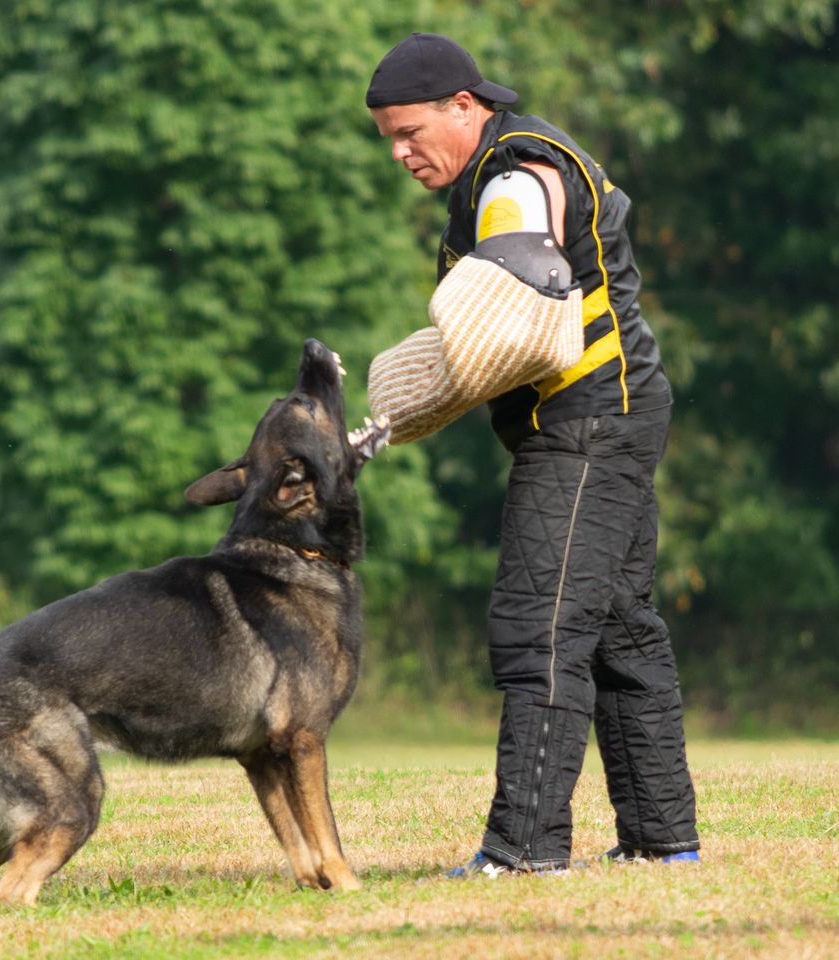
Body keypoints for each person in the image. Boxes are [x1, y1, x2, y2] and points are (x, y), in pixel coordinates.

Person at [362, 33, 700, 875]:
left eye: (410, 132)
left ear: (464, 106)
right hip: (610, 411)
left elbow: (529, 257)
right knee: (620, 629)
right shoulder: (485, 175)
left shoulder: (514, 170)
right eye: (388, 141)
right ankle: (664, 843)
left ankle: (523, 850)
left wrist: (495, 296)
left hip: (585, 420)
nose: (402, 153)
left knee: (539, 625)